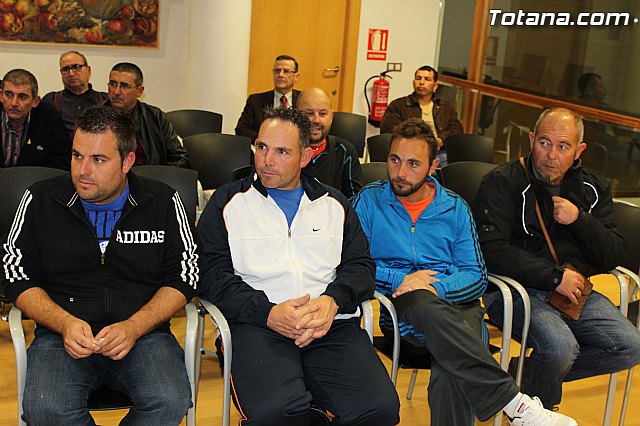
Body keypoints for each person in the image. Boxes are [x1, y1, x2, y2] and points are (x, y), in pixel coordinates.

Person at [352, 118, 577, 426]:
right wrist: (401, 279)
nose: (401, 172)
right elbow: (353, 262)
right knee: (425, 306)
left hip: (459, 308)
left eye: (413, 163)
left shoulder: (455, 208)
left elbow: (476, 275)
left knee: (453, 367)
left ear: (433, 166)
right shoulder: (369, 201)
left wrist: (437, 288)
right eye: (394, 160)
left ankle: (515, 405)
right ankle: (515, 404)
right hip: (403, 310)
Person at [198, 107, 399, 425]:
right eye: (261, 147)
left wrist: (332, 301)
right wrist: (267, 313)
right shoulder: (227, 203)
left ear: (305, 156)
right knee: (278, 410)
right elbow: (210, 275)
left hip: (329, 326)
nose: (267, 160)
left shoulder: (334, 204)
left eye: (281, 152)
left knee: (380, 408)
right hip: (256, 325)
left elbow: (361, 266)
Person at [2, 105, 198, 424]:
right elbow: (15, 274)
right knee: (46, 409)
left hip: (144, 335)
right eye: (77, 156)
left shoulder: (162, 201)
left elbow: (185, 275)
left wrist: (134, 326)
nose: (83, 170)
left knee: (170, 401)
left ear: (127, 162)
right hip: (62, 336)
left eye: (98, 160)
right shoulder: (39, 199)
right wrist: (64, 323)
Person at [474, 107, 640, 408]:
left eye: (563, 146)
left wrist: (580, 220)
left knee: (630, 346)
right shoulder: (501, 182)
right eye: (544, 143)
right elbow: (492, 250)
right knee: (561, 349)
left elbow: (614, 255)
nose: (551, 155)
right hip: (515, 289)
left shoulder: (592, 188)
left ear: (579, 150)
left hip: (571, 293)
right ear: (531, 140)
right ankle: (540, 411)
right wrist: (554, 277)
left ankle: (523, 376)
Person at [104, 62, 190, 168]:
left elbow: (180, 159)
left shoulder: (155, 117)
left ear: (139, 91)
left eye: (124, 86)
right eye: (112, 84)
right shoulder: (94, 117)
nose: (117, 91)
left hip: (149, 175)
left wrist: (158, 175)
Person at [380, 65, 463, 163]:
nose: (421, 82)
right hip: (409, 152)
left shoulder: (445, 106)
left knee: (451, 164)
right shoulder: (398, 105)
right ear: (413, 83)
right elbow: (388, 130)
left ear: (435, 86)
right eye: (418, 78)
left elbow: (456, 129)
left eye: (427, 79)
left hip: (440, 152)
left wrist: (441, 140)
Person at [296, 87, 363, 198]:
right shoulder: (284, 150)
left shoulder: (345, 152)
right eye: (309, 114)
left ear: (331, 117)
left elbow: (354, 200)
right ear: (296, 115)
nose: (316, 120)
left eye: (322, 114)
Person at [1, 68, 70, 169]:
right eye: (8, 95)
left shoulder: (48, 116)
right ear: (1, 96)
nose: (14, 103)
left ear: (35, 101)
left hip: (37, 178)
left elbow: (63, 160)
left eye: (22, 97)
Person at [235, 54, 301, 143]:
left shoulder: (303, 100)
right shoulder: (255, 101)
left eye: (286, 71)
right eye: (277, 71)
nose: (280, 75)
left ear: (296, 77)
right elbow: (241, 130)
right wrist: (267, 140)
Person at [42, 51, 107, 136]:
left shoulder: (105, 100)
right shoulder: (51, 100)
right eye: (65, 69)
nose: (71, 73)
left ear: (88, 70)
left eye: (76, 67)